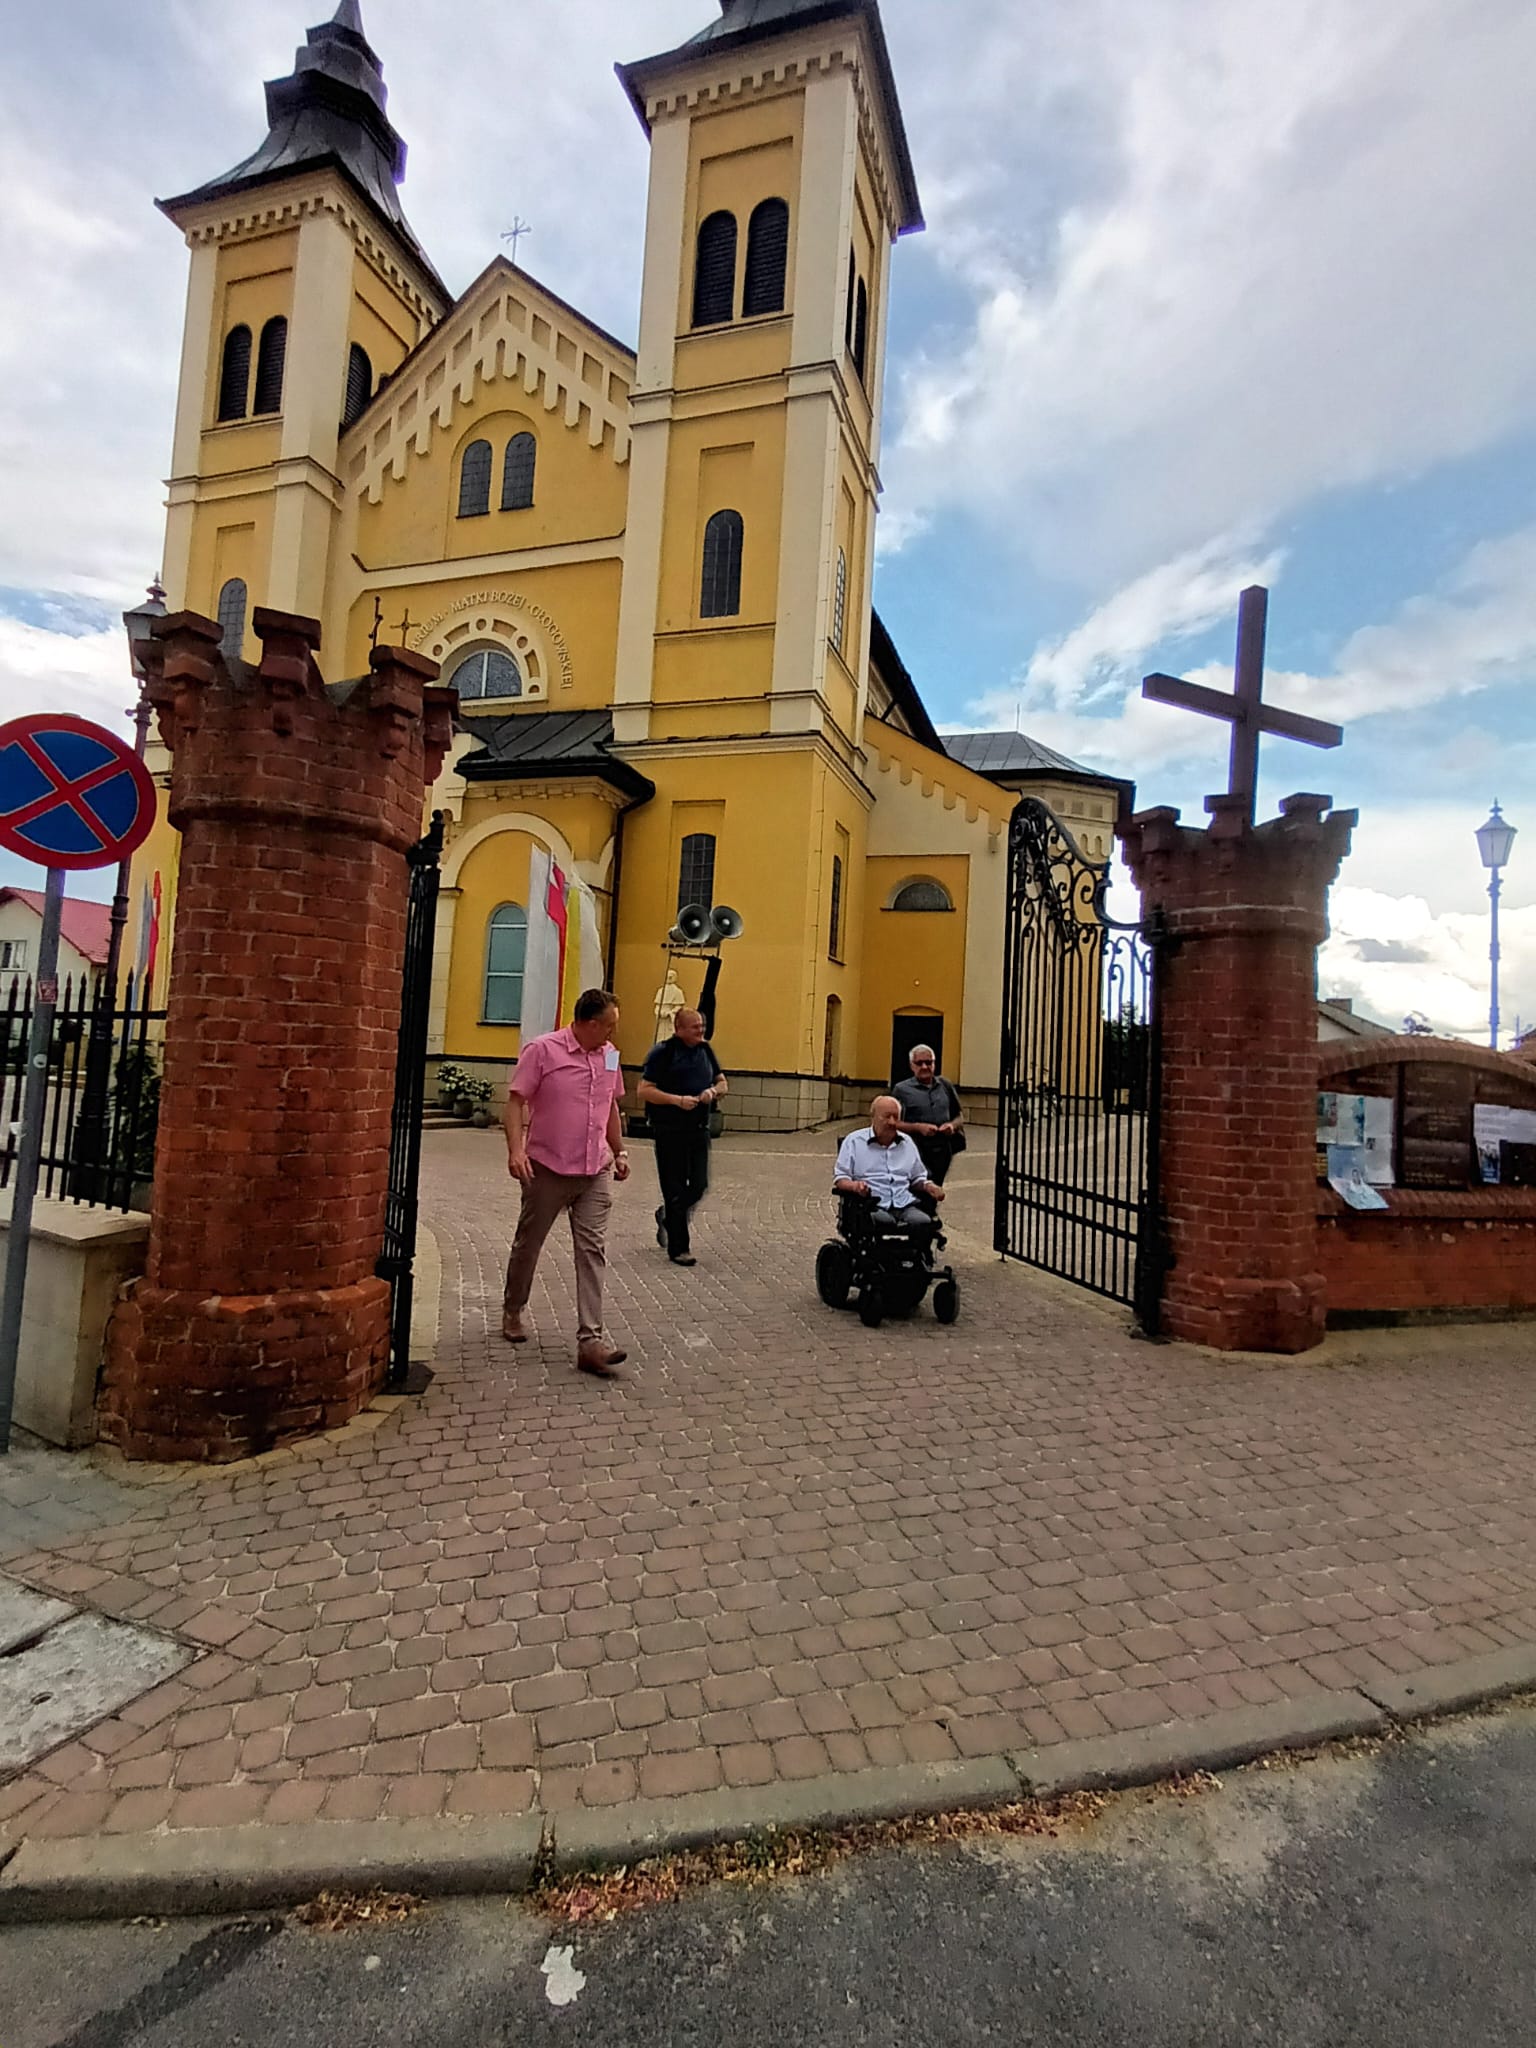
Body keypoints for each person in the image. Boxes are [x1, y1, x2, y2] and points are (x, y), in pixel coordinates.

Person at [502, 988, 630, 1378]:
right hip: (548, 1169)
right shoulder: (542, 1051)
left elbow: (610, 1104)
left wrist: (620, 1151)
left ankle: (590, 1342)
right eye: (608, 1025)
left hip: (595, 1170)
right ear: (589, 1024)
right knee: (529, 1243)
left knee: (592, 1251)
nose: (612, 1033)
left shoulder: (609, 1055)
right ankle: (513, 1308)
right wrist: (516, 1151)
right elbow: (515, 1102)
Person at [638, 1007, 729, 1266]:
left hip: (698, 1129)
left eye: (702, 1026)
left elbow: (723, 1083)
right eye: (695, 1027)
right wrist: (676, 1100)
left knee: (699, 1185)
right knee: (674, 1188)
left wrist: (712, 1092)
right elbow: (644, 1090)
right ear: (679, 1029)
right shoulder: (663, 1053)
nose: (701, 1031)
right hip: (669, 1130)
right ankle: (679, 1249)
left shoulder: (705, 1050)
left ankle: (668, 1217)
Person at [834, 1094, 945, 1239]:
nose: (892, 1122)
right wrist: (855, 1187)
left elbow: (917, 1178)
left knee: (923, 1222)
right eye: (886, 1117)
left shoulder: (907, 1143)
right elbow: (841, 1179)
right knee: (883, 1222)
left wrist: (929, 1186)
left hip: (903, 1204)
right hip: (870, 1205)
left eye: (896, 1117)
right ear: (873, 1117)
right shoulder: (854, 1141)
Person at [894, 1043, 965, 1185]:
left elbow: (959, 1116)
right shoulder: (901, 1090)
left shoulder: (945, 1085)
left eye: (928, 1062)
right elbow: (894, 1123)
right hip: (916, 1148)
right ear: (911, 1065)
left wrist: (951, 1126)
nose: (924, 1067)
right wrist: (918, 1127)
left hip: (943, 1148)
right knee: (921, 1185)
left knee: (937, 1185)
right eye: (919, 1063)